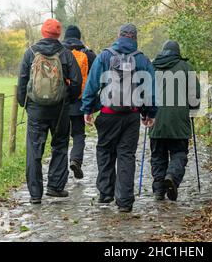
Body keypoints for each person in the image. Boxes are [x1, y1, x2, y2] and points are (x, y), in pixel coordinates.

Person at [81, 23, 157, 213]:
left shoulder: (105, 56)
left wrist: (87, 108)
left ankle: (106, 193)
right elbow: (151, 89)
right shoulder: (141, 59)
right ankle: (124, 201)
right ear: (135, 38)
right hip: (131, 116)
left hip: (107, 114)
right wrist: (149, 113)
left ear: (119, 36)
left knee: (105, 151)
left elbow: (91, 84)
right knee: (126, 155)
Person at [17, 19, 82, 205]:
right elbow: (76, 81)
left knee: (34, 149)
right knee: (60, 146)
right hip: (60, 109)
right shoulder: (66, 54)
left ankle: (35, 194)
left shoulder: (30, 53)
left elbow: (22, 81)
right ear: (58, 34)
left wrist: (25, 103)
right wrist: (68, 98)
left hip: (36, 109)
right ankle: (55, 187)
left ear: (43, 32)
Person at [149, 40, 200, 202]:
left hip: (155, 121)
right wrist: (193, 108)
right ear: (178, 53)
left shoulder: (153, 67)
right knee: (179, 153)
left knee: (158, 156)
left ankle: (158, 190)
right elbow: (195, 96)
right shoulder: (186, 68)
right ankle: (172, 176)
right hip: (179, 121)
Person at [62, 25, 96, 180]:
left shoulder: (58, 52)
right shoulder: (88, 54)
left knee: (61, 137)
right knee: (78, 134)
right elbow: (96, 79)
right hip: (79, 101)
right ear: (79, 37)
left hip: (60, 102)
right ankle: (75, 159)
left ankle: (60, 170)